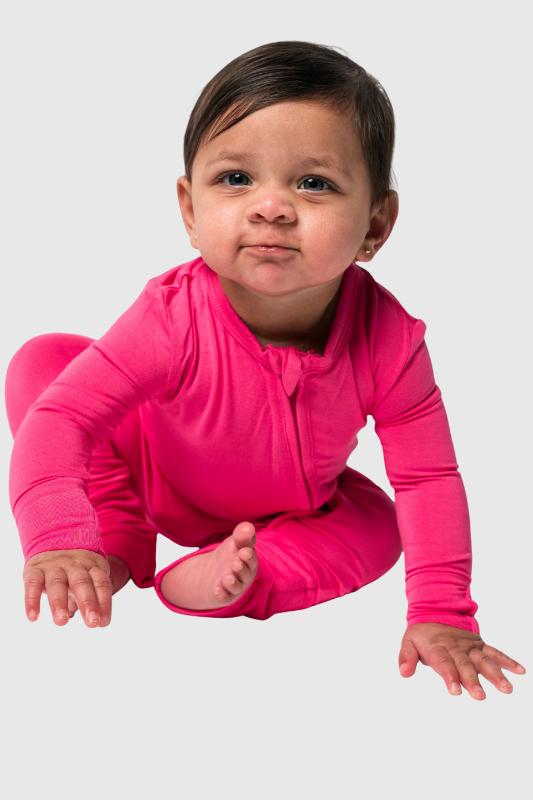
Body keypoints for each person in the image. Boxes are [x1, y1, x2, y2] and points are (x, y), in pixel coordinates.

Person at [6, 41, 525, 699]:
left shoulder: (390, 341)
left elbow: (427, 477)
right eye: (235, 179)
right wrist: (57, 535)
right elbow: (65, 417)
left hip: (292, 516)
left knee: (382, 523)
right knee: (45, 364)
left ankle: (233, 579)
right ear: (190, 210)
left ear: (376, 224)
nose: (270, 206)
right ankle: (119, 532)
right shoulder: (172, 316)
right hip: (149, 473)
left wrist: (441, 611)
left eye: (313, 183)